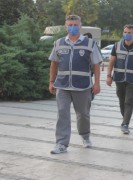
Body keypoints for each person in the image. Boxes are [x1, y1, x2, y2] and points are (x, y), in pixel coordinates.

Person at [48, 15, 102, 154]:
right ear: (66, 27)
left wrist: (96, 83)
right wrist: (51, 81)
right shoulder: (58, 43)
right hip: (62, 85)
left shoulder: (90, 44)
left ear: (80, 26)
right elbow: (54, 63)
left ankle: (85, 136)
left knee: (83, 114)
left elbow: (96, 64)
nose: (72, 27)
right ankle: (61, 143)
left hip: (82, 86)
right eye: (70, 25)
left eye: (75, 24)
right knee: (62, 114)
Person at [106, 24, 133, 134]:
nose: (127, 34)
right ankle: (125, 119)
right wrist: (109, 76)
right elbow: (111, 61)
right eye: (125, 32)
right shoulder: (117, 46)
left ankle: (125, 123)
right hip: (119, 79)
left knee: (128, 101)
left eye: (129, 32)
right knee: (122, 101)